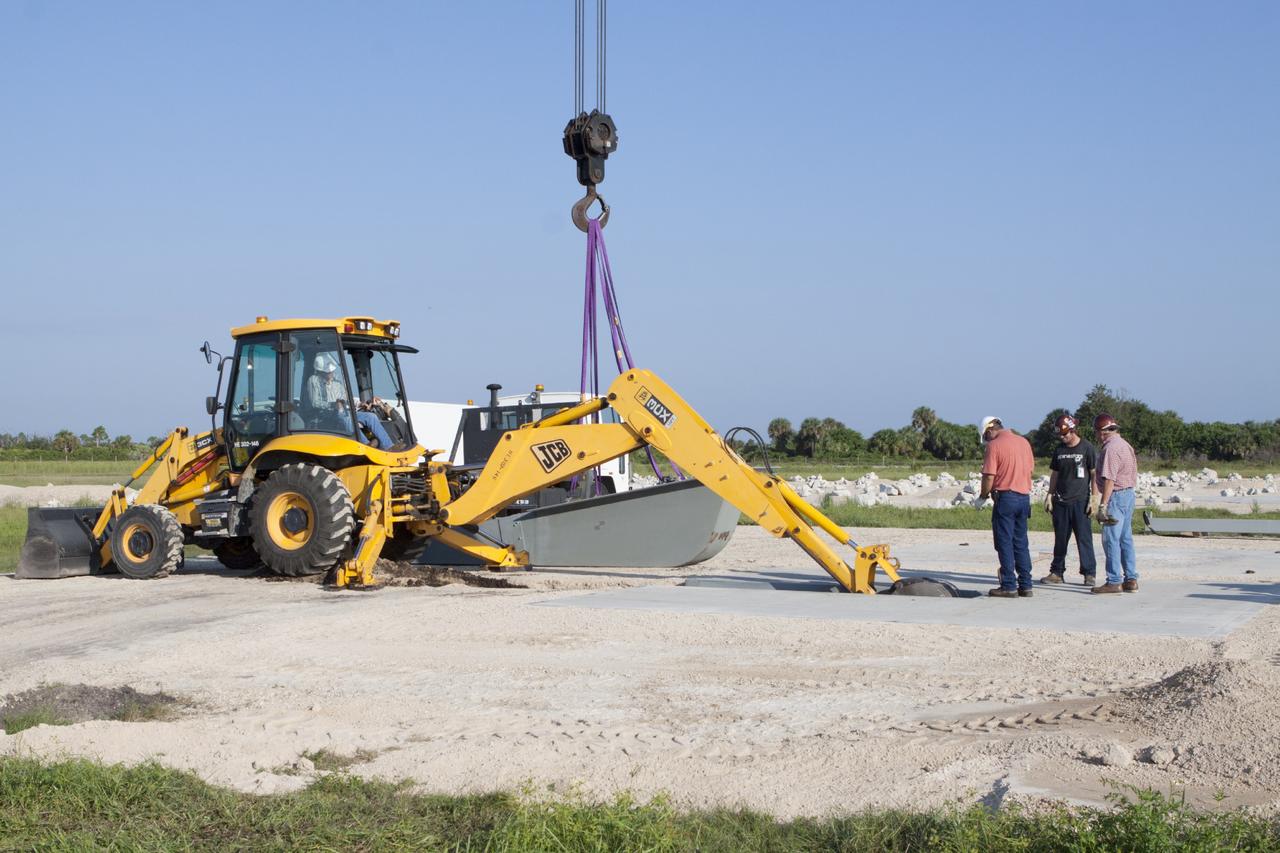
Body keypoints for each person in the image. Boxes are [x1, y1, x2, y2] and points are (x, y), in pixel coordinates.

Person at [977, 415, 1036, 598]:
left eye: (985, 436)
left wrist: (983, 496)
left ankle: (1009, 585)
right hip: (1024, 498)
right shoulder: (1024, 442)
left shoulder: (994, 446)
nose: (986, 440)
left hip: (1006, 498)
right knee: (1021, 542)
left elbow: (989, 476)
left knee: (1004, 542)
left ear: (989, 430)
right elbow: (1031, 469)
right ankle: (1026, 585)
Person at [1040, 414, 1099, 587]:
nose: (1062, 437)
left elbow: (1094, 474)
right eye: (1060, 435)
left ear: (1073, 430)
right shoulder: (1059, 450)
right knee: (1060, 539)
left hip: (1080, 501)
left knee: (1084, 538)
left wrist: (1094, 498)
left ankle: (1089, 573)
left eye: (1065, 434)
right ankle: (1057, 572)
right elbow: (1055, 474)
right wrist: (1049, 495)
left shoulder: (1087, 448)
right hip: (1060, 502)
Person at [1092, 412, 1138, 594]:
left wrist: (1102, 505)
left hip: (1116, 496)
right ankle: (1131, 578)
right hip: (1128, 495)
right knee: (1125, 538)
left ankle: (1114, 580)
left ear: (1102, 431)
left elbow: (1109, 479)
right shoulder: (1125, 445)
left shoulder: (1110, 449)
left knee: (1110, 538)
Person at [306, 355, 396, 450]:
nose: (331, 373)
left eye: (332, 371)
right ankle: (367, 445)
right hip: (327, 415)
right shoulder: (313, 381)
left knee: (371, 416)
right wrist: (333, 405)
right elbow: (315, 402)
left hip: (344, 412)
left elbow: (347, 399)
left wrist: (360, 404)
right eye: (329, 372)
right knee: (348, 420)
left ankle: (389, 446)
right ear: (321, 372)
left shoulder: (337, 383)